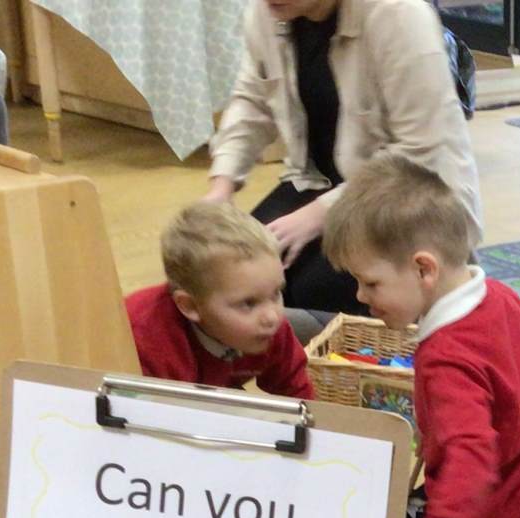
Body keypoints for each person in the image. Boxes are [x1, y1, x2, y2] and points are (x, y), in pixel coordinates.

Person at [324, 155, 520, 518]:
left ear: (424, 269)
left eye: (370, 283)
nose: (360, 296)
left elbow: (471, 457)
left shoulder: (446, 355)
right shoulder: (500, 296)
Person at [204, 0, 482, 316]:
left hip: (412, 194)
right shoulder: (269, 13)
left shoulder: (399, 15)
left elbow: (422, 153)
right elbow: (251, 102)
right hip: (318, 181)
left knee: (310, 291)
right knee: (233, 272)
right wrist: (221, 188)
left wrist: (317, 215)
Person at [126, 203, 314, 399]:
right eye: (248, 304)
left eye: (276, 293)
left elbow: (297, 392)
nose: (272, 316)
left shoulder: (267, 327)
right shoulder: (147, 343)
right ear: (190, 306)